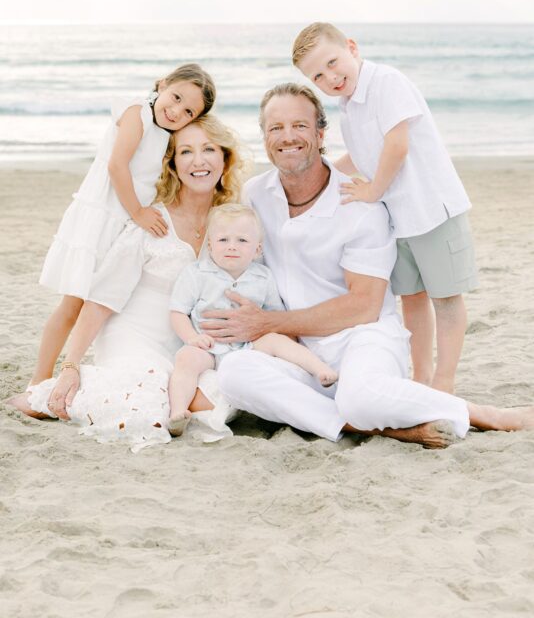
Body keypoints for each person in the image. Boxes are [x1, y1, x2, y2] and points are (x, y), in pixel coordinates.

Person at [201, 84, 534, 448]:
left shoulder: (360, 205)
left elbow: (364, 306)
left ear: (320, 133)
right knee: (235, 374)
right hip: (297, 349)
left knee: (360, 397)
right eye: (275, 128)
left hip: (362, 338)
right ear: (264, 136)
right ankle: (384, 428)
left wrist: (268, 323)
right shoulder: (255, 194)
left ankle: (482, 413)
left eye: (299, 125)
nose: (287, 137)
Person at [8, 115, 243, 451]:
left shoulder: (233, 220)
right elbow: (100, 301)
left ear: (224, 158)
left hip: (190, 346)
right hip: (133, 335)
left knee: (224, 398)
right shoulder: (153, 222)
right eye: (186, 152)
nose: (199, 160)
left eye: (209, 149)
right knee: (147, 410)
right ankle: (44, 395)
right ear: (174, 165)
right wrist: (71, 365)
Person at [292, 23, 477, 394]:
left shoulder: (386, 83)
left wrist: (373, 190)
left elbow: (397, 145)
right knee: (412, 298)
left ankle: (444, 381)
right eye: (318, 76)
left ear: (352, 47)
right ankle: (421, 376)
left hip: (431, 209)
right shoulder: (349, 107)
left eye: (332, 62)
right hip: (400, 219)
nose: (330, 77)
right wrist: (313, 175)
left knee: (446, 298)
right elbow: (362, 155)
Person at [167, 203, 338, 436]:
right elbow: (178, 311)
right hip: (209, 346)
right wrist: (193, 338)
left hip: (249, 345)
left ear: (257, 249)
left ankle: (319, 369)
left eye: (242, 241)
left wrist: (266, 333)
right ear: (210, 245)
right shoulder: (196, 274)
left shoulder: (263, 277)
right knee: (186, 359)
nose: (232, 247)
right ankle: (178, 412)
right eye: (223, 240)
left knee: (278, 340)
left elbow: (273, 315)